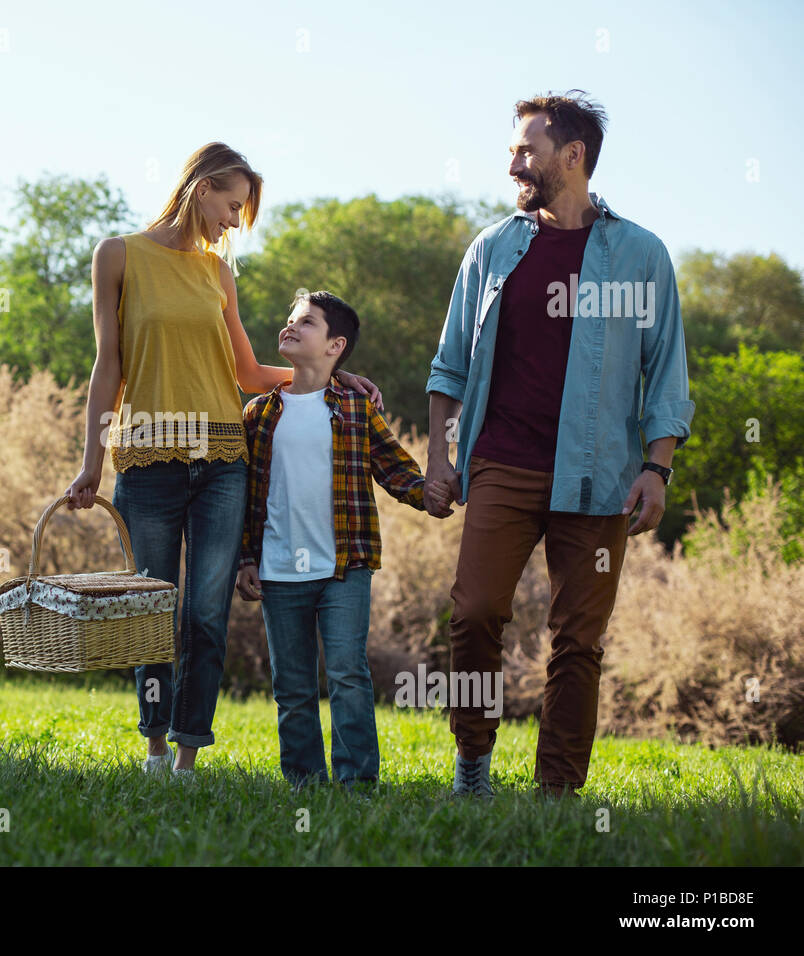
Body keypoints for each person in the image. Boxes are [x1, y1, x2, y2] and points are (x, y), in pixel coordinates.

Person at [64, 143, 385, 777]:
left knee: (205, 616)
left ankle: (187, 755)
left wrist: (331, 377)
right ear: (201, 188)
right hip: (147, 460)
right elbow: (109, 366)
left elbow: (244, 371)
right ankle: (154, 747)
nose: (234, 222)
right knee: (149, 613)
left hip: (221, 462)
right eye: (232, 205)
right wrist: (91, 462)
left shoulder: (217, 273)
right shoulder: (119, 254)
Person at [425, 92, 695, 798]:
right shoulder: (492, 248)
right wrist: (439, 457)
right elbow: (449, 364)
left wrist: (656, 468)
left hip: (599, 478)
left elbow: (666, 371)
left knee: (578, 640)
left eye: (526, 149)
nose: (513, 161)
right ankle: (473, 765)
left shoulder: (640, 254)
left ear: (572, 155)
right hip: (502, 465)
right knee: (475, 611)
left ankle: (558, 793)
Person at [235, 291, 441, 793]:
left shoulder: (354, 405)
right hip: (279, 572)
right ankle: (303, 780)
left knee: (348, 673)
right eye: (290, 320)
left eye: (306, 322)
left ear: (335, 345)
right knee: (292, 685)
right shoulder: (258, 413)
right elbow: (244, 494)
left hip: (344, 566)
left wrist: (430, 494)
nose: (290, 327)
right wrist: (245, 557)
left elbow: (394, 467)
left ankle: (357, 782)